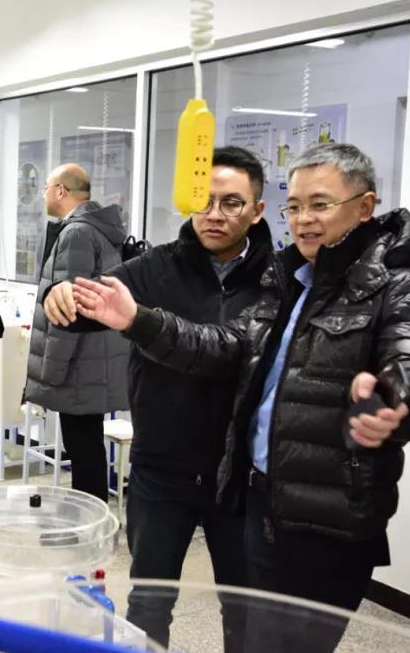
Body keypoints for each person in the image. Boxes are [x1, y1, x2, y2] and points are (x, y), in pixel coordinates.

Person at [48, 143, 410, 652]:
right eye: (297, 206)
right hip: (240, 493)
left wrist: (397, 397)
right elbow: (222, 345)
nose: (305, 219)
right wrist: (124, 315)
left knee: (259, 628)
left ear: (364, 206)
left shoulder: (395, 285)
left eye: (320, 205)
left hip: (311, 511)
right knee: (195, 615)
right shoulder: (293, 281)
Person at [66, 147, 271, 650]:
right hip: (162, 466)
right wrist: (60, 296)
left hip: (238, 473)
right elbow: (91, 306)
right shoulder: (156, 267)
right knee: (149, 603)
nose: (215, 214)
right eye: (204, 200)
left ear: (257, 210)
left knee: (245, 608)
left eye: (231, 203)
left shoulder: (277, 279)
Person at [22, 163, 130, 502]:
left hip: (79, 365)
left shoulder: (76, 234)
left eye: (46, 187)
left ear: (60, 191)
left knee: (83, 451)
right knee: (88, 447)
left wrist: (50, 374)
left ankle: (90, 524)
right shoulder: (98, 228)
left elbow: (66, 313)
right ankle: (92, 517)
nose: (43, 194)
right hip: (94, 360)